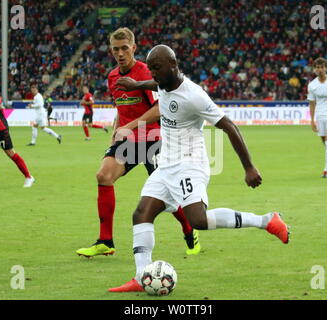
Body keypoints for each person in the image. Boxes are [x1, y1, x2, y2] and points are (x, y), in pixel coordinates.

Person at [108, 45, 289, 292]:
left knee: (198, 220)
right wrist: (137, 85)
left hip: (190, 165)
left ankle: (267, 221)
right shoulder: (163, 82)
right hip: (167, 165)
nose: (153, 73)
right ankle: (141, 278)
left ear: (173, 65)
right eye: (150, 69)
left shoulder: (194, 95)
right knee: (142, 213)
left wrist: (249, 167)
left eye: (156, 68)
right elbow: (155, 84)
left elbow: (230, 127)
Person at [76, 28, 200, 258]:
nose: (120, 53)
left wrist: (130, 126)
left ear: (133, 48)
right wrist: (116, 130)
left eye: (125, 48)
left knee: (170, 197)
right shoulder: (113, 76)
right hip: (128, 140)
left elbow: (160, 108)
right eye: (116, 49)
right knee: (104, 176)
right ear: (111, 50)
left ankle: (189, 228)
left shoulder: (146, 72)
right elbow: (121, 108)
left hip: (153, 139)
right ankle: (105, 241)